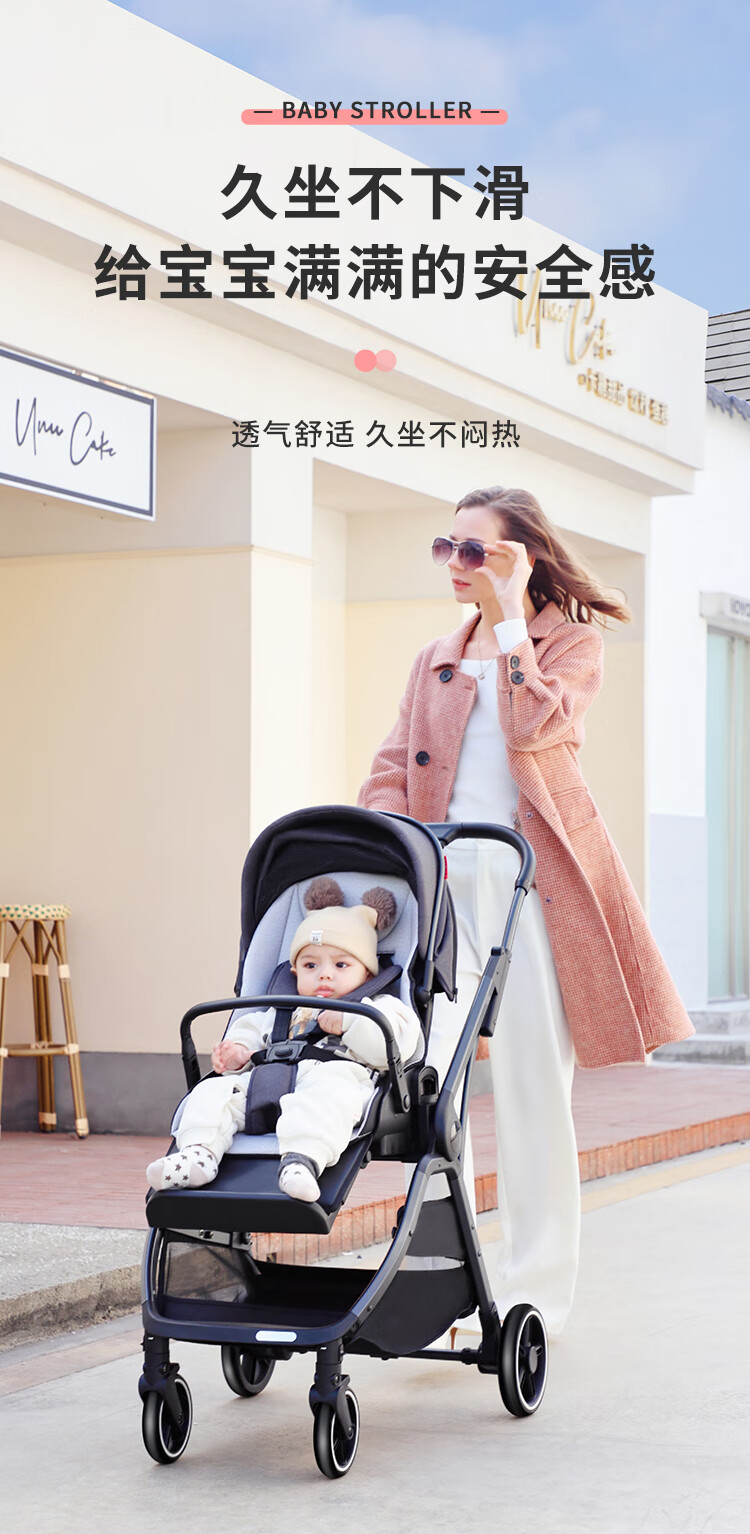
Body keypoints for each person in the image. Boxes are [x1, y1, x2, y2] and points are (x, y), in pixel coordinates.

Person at [358, 485, 694, 1336]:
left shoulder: (570, 644)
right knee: (435, 1084)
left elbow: (538, 730)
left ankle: (535, 1289)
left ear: (522, 556)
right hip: (440, 880)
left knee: (533, 1086)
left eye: (476, 550)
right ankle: (454, 1281)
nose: (456, 563)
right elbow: (391, 767)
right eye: (448, 546)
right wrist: (390, 855)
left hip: (530, 882)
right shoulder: (434, 657)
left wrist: (512, 620)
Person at [147, 879, 421, 1204]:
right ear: (294, 972)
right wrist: (237, 1052)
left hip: (331, 1082)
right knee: (212, 1092)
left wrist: (351, 1022)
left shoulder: (378, 1008)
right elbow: (249, 1031)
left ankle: (301, 1162)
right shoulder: (280, 1010)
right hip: (265, 1085)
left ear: (367, 974)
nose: (325, 974)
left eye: (341, 964)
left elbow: (397, 1045)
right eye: (311, 965)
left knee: (328, 1097)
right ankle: (197, 1155)